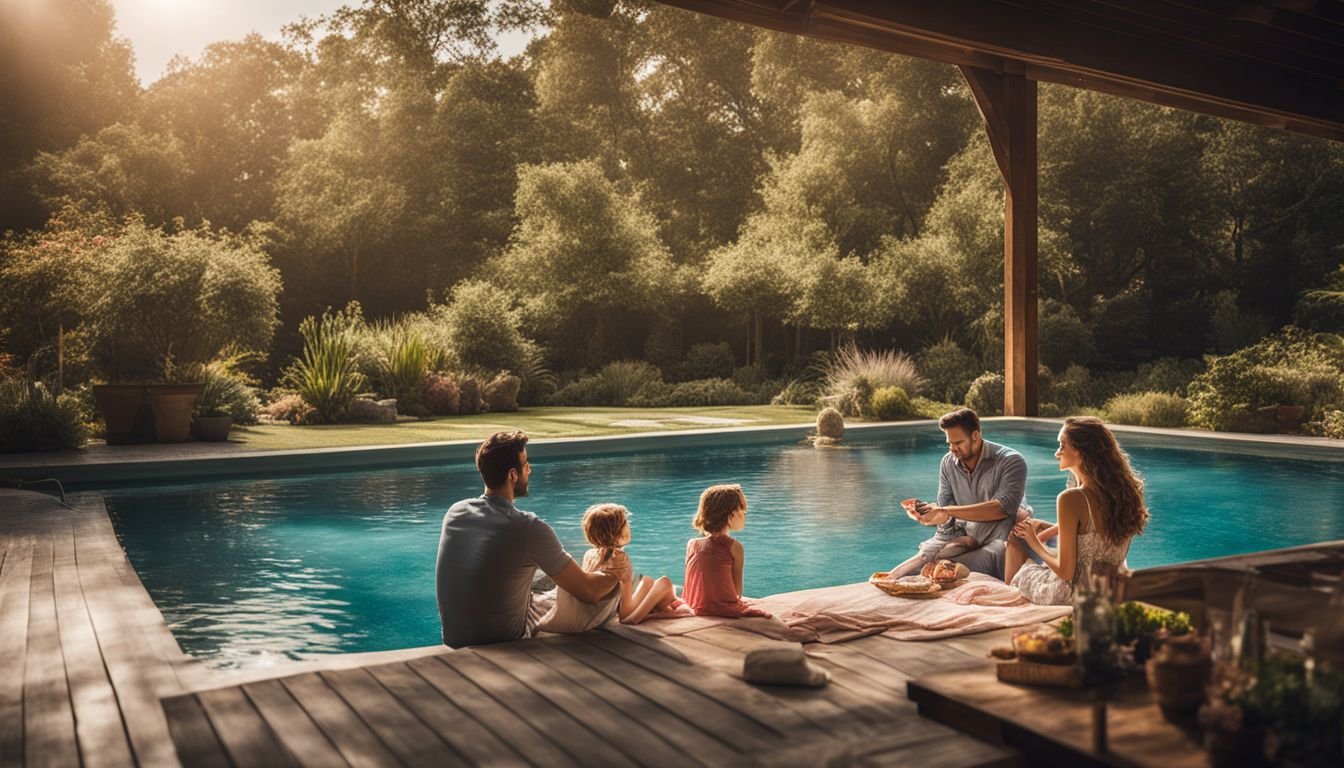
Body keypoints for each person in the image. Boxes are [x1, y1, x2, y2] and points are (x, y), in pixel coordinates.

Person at [435, 430, 619, 648]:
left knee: (545, 575)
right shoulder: (528, 527)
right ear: (513, 475)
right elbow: (589, 592)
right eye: (526, 464)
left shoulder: (456, 511)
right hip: (501, 639)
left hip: (455, 637)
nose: (529, 470)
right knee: (604, 593)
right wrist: (615, 573)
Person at [1006, 416, 1148, 605]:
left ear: (1081, 451)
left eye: (1062, 445)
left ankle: (1007, 596)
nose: (1057, 453)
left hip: (1073, 594)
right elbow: (1096, 534)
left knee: (1025, 571)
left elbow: (1066, 572)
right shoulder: (1126, 494)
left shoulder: (1071, 499)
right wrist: (1052, 529)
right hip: (1111, 591)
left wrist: (1034, 542)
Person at [887, 408, 1029, 580]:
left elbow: (1001, 509)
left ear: (975, 436)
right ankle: (894, 575)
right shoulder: (948, 463)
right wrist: (934, 517)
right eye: (949, 443)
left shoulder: (1011, 461)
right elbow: (946, 518)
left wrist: (948, 511)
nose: (952, 449)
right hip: (967, 538)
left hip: (1001, 541)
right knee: (916, 570)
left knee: (944, 572)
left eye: (958, 443)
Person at [539, 503, 677, 631]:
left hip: (589, 613)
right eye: (626, 524)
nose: (629, 526)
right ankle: (667, 609)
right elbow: (625, 614)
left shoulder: (590, 554)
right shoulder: (620, 559)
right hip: (600, 619)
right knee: (664, 582)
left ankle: (665, 606)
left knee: (647, 582)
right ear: (617, 534)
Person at [682, 484, 771, 618]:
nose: (744, 516)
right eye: (743, 512)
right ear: (732, 514)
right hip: (722, 610)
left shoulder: (692, 544)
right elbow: (737, 592)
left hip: (694, 605)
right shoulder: (734, 547)